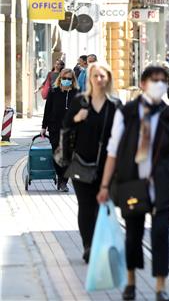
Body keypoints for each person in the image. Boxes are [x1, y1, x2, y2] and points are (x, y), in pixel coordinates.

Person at [97, 65, 169, 301]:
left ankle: (160, 286)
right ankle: (130, 281)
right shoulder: (126, 112)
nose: (159, 83)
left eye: (162, 80)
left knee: (161, 233)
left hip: (163, 183)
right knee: (133, 234)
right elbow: (113, 150)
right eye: (154, 80)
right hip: (132, 182)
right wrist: (105, 185)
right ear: (143, 84)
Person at [62, 61, 120, 263]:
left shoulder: (115, 105)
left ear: (108, 78)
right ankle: (89, 245)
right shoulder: (80, 101)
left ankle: (102, 243)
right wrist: (77, 118)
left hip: (108, 165)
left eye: (102, 76)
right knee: (86, 206)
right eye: (95, 76)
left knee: (103, 206)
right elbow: (66, 127)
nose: (99, 79)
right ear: (90, 79)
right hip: (81, 162)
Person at [40, 67, 78, 192]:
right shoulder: (54, 92)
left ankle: (63, 182)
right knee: (56, 154)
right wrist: (43, 127)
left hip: (71, 129)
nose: (66, 80)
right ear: (60, 79)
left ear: (72, 80)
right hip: (55, 128)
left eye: (69, 79)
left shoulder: (77, 93)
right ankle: (60, 177)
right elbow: (47, 111)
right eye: (64, 78)